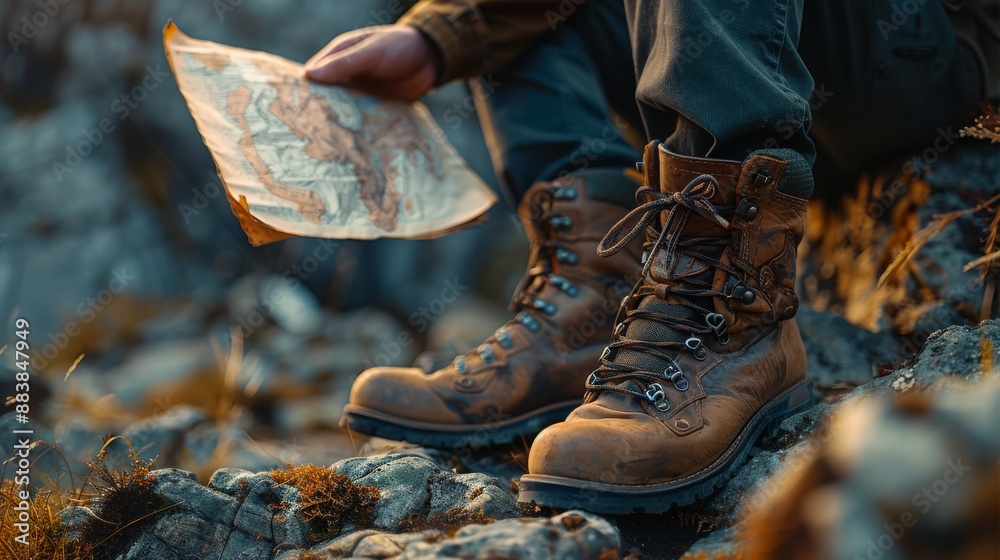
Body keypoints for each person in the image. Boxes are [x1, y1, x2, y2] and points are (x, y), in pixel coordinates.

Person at [306, 0, 996, 513]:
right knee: (525, 16)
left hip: (929, 37)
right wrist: (439, 36)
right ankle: (591, 304)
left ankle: (735, 307)